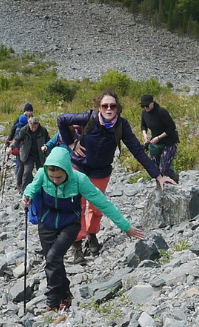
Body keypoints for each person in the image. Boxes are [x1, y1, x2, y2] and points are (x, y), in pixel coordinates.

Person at [21, 145, 145, 312]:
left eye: (59, 177)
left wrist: (126, 227)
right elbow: (31, 188)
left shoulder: (79, 180)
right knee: (54, 260)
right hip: (46, 222)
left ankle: (52, 302)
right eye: (52, 177)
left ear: (67, 170)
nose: (55, 180)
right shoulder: (43, 175)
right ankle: (65, 295)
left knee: (52, 258)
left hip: (70, 224)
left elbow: (103, 203)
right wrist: (27, 197)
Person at [57, 91, 174, 263]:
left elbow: (138, 151)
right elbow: (61, 119)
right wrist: (71, 143)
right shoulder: (88, 118)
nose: (109, 109)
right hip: (79, 167)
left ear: (117, 108)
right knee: (77, 207)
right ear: (99, 107)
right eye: (105, 105)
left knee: (96, 207)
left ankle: (92, 235)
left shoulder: (122, 125)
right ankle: (77, 247)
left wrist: (157, 175)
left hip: (101, 171)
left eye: (113, 106)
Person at [140, 93, 180, 182]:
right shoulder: (144, 113)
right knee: (154, 167)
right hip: (156, 143)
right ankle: (161, 184)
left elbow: (172, 127)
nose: (145, 107)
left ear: (152, 103)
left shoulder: (161, 112)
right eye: (143, 106)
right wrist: (145, 135)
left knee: (164, 167)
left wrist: (159, 137)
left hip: (169, 141)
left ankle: (173, 177)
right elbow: (143, 126)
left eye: (147, 105)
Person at [11, 113, 49, 191]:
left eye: (35, 127)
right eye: (32, 127)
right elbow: (17, 139)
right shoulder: (24, 130)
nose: (33, 129)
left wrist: (47, 155)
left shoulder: (43, 131)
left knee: (42, 172)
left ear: (38, 125)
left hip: (39, 154)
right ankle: (24, 190)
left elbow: (48, 142)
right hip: (28, 154)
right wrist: (11, 147)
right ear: (29, 124)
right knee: (27, 172)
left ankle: (44, 189)